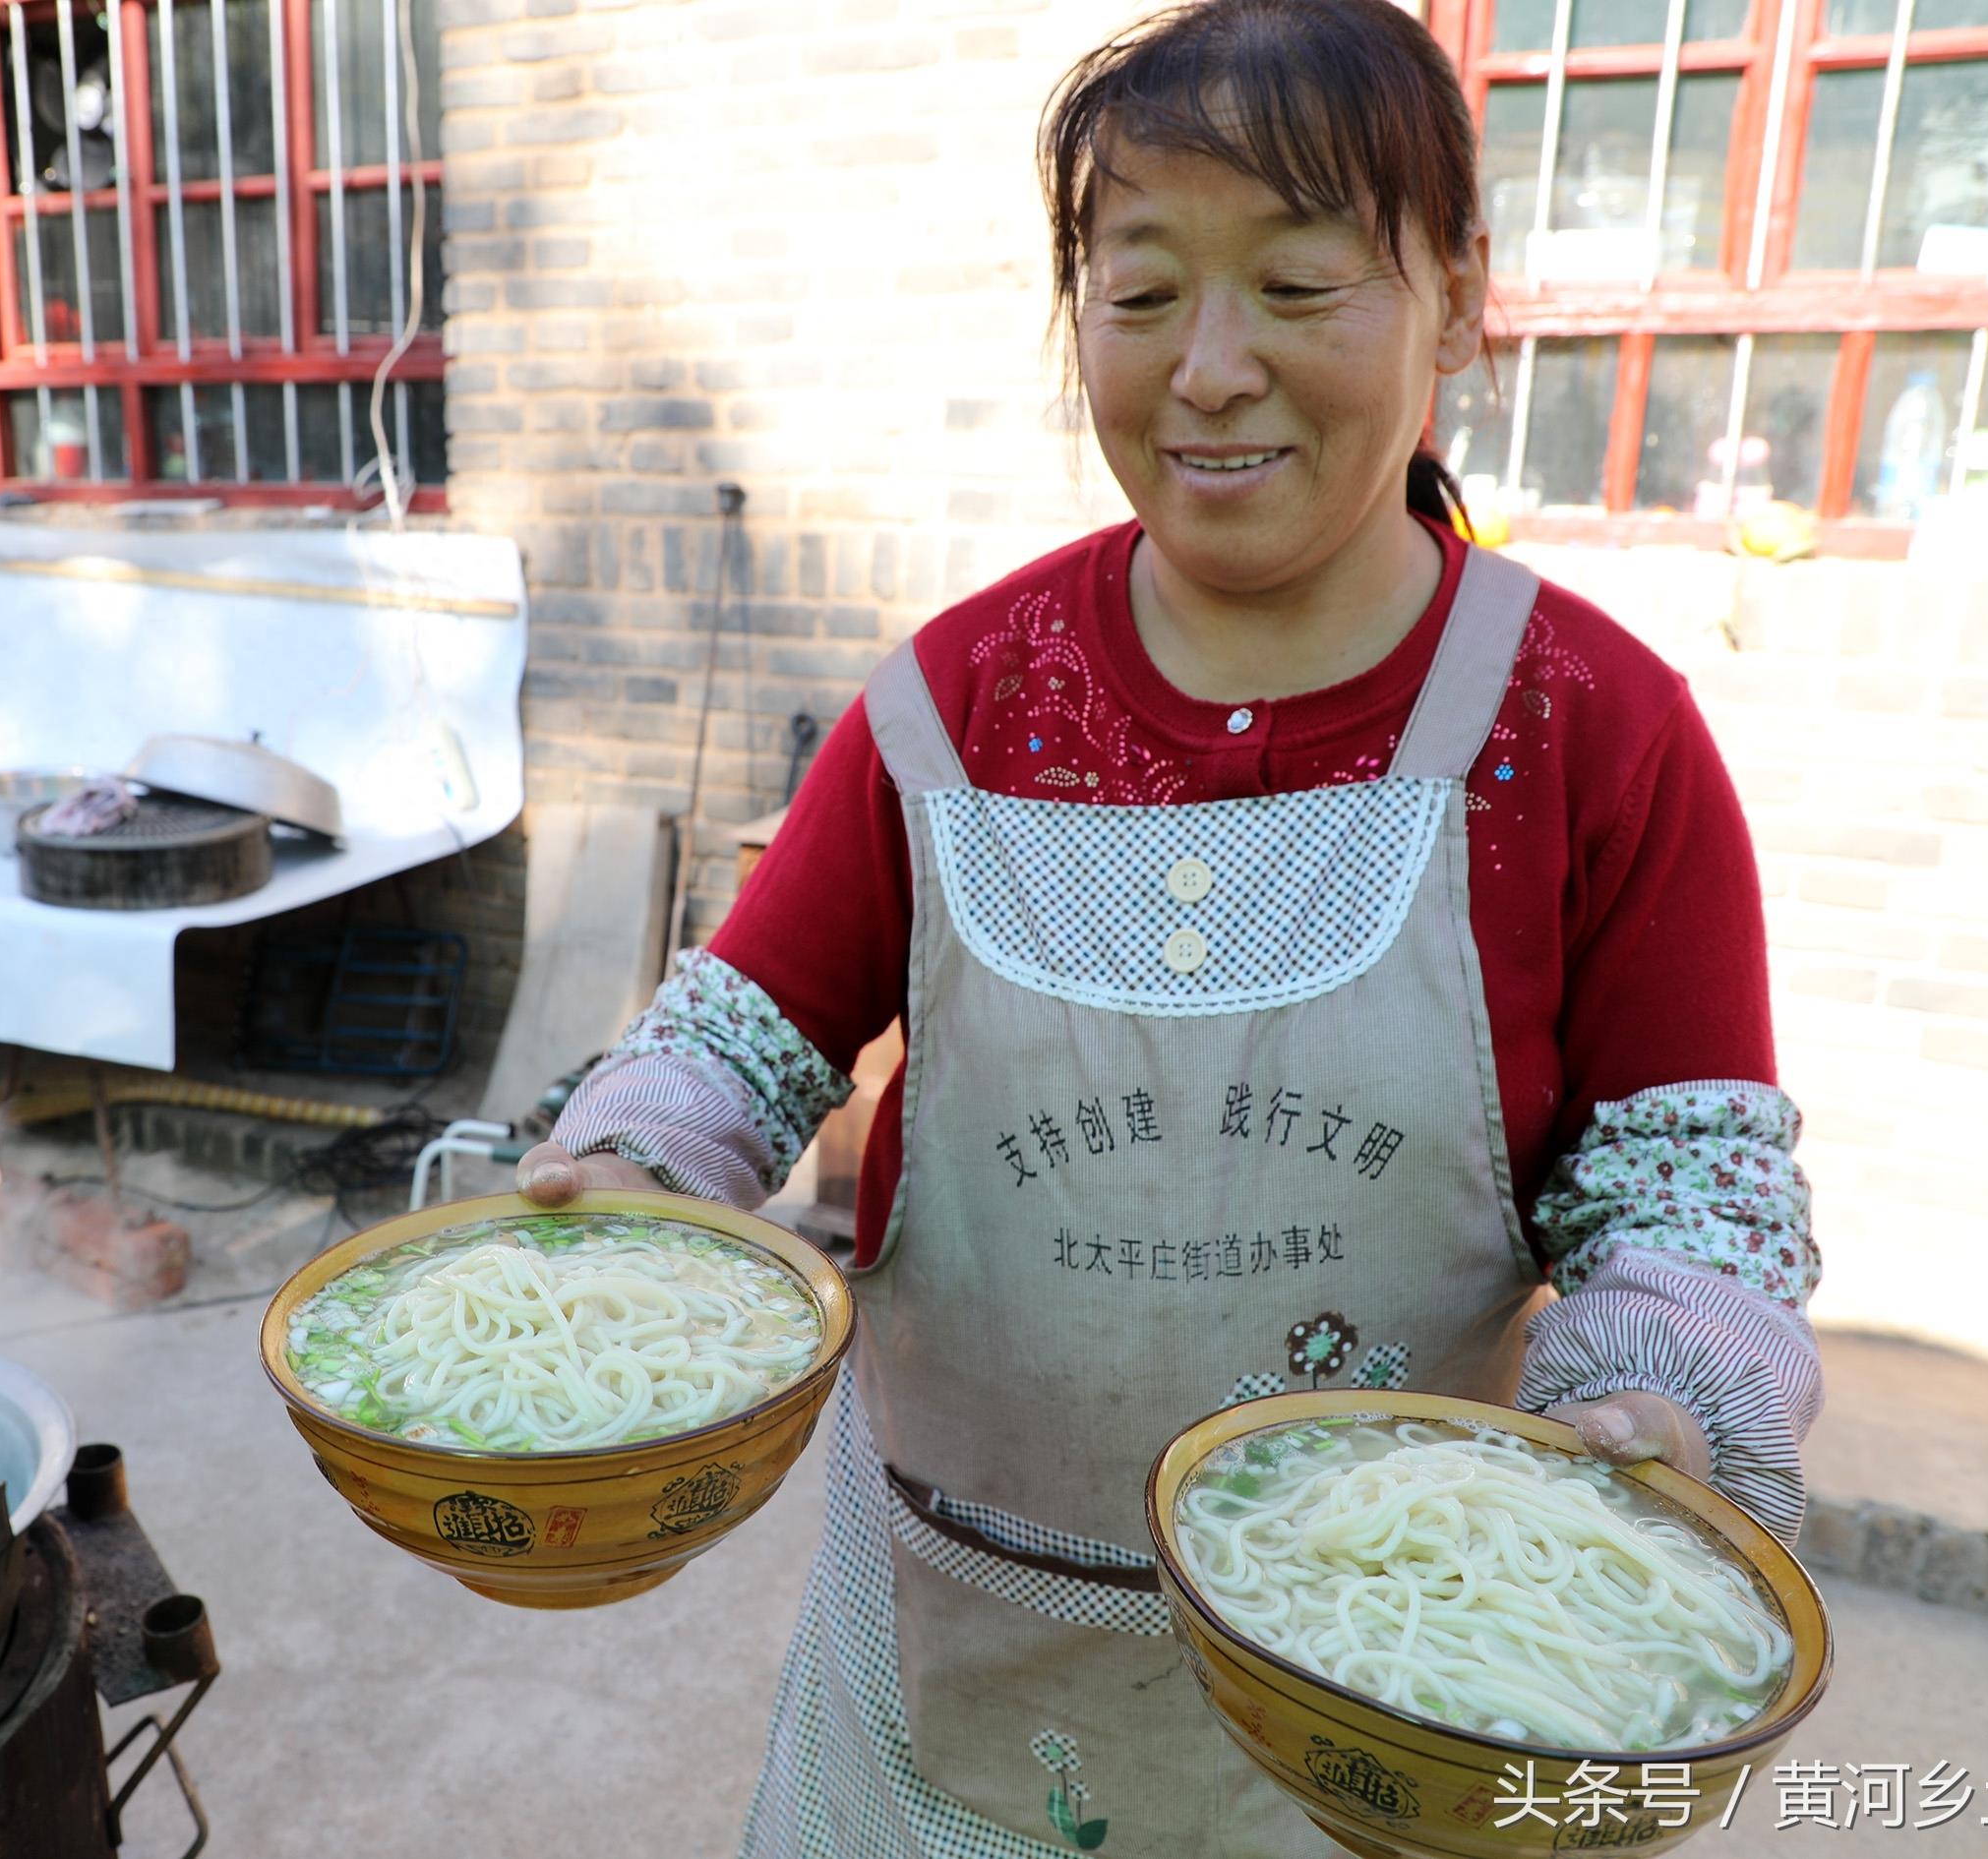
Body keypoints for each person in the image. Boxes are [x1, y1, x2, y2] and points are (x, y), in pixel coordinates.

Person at [516, 3, 1822, 1853]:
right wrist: (637, 1168)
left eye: (1296, 286)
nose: (1210, 371)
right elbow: (732, 1040)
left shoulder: (1590, 731)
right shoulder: (956, 704)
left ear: (1458, 302)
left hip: (1397, 1686)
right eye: (1140, 296)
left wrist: (1655, 1396)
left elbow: (1694, 1196)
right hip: (951, 1662)